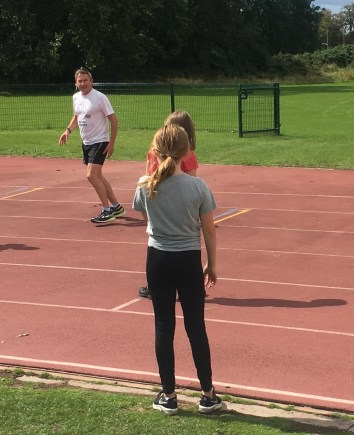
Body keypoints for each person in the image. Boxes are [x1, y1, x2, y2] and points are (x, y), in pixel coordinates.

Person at [133, 124, 225, 415]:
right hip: (188, 260)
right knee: (196, 326)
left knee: (163, 325)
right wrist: (212, 263)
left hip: (158, 259)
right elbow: (209, 229)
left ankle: (169, 395)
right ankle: (208, 394)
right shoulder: (197, 186)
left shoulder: (145, 185)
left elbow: (146, 216)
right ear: (186, 152)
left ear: (156, 151)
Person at [139, 111, 201, 299]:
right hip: (179, 207)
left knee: (156, 246)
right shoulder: (188, 156)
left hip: (157, 204)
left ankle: (154, 285)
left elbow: (147, 177)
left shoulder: (154, 151)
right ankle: (187, 285)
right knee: (184, 246)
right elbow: (192, 183)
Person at [58, 67, 125, 224]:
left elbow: (114, 121)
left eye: (85, 80)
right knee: (98, 176)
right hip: (87, 142)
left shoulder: (100, 97)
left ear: (91, 81)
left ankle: (107, 210)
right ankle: (116, 206)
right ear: (76, 83)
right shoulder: (76, 97)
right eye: (79, 81)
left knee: (91, 176)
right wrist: (68, 130)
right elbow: (77, 117)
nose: (82, 83)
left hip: (100, 141)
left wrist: (111, 143)